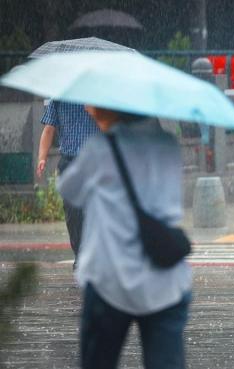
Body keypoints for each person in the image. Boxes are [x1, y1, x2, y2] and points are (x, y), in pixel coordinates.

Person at [57, 106, 192, 369]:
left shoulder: (98, 149)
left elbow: (69, 190)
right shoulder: (167, 146)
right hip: (164, 280)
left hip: (109, 278)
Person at [37, 100, 100, 269]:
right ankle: (80, 257)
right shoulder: (58, 98)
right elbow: (49, 129)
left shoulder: (99, 95)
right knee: (73, 213)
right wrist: (42, 157)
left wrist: (94, 110)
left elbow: (111, 127)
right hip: (69, 162)